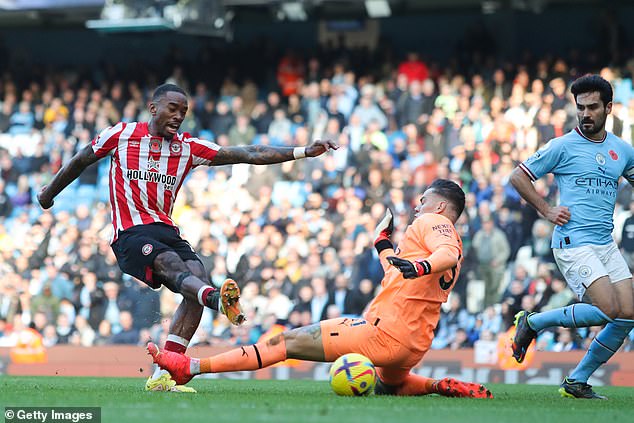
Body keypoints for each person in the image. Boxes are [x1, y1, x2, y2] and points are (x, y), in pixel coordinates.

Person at [37, 83, 338, 393]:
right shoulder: (121, 134)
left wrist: (303, 152)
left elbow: (249, 152)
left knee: (197, 275)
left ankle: (162, 374)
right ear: (153, 108)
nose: (179, 116)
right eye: (173, 108)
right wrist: (49, 193)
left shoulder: (188, 148)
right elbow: (80, 160)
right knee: (175, 268)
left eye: (184, 111)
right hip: (129, 233)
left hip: (166, 229)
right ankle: (215, 299)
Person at [147, 179, 493, 399]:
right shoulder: (438, 240)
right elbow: (400, 273)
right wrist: (382, 243)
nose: (417, 206)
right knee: (392, 386)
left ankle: (189, 367)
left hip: (383, 334)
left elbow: (445, 254)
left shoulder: (434, 223)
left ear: (441, 207)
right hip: (413, 345)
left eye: (423, 200)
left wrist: (420, 265)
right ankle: (437, 385)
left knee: (285, 342)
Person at [510, 74, 634, 399]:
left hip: (605, 244)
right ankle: (534, 322)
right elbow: (518, 176)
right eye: (581, 107)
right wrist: (546, 209)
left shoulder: (622, 150)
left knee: (629, 314)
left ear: (609, 108)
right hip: (572, 242)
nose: (585, 114)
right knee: (608, 309)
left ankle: (576, 381)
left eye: (593, 107)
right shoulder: (562, 146)